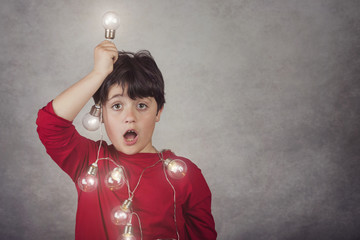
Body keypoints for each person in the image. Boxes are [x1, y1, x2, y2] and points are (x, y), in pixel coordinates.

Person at [36, 40, 217, 240]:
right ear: (101, 114)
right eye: (116, 106)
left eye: (141, 105)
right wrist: (98, 74)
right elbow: (49, 124)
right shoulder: (90, 162)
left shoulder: (185, 175)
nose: (129, 116)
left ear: (158, 112)